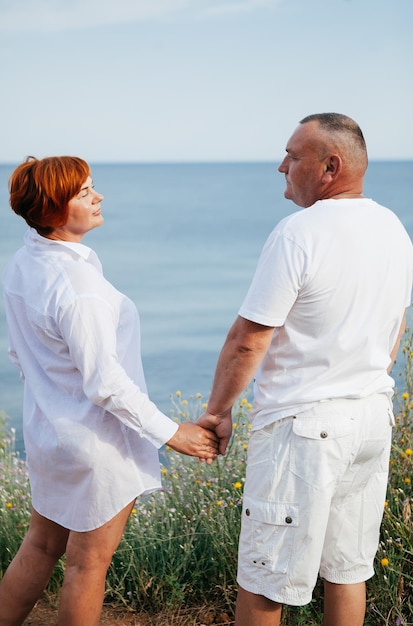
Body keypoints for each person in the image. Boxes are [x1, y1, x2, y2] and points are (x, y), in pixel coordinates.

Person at [197, 113, 413, 626]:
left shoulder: (299, 232)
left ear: (329, 166)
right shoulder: (393, 227)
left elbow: (249, 339)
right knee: (347, 570)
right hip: (369, 420)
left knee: (265, 576)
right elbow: (394, 336)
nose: (281, 166)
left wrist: (217, 413)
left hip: (304, 426)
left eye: (293, 156)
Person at [0, 156, 219, 626]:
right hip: (97, 446)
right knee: (87, 564)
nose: (98, 197)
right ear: (54, 209)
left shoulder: (23, 262)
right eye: (83, 193)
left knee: (38, 548)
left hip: (49, 436)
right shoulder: (78, 284)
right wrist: (170, 433)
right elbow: (105, 382)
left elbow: (21, 355)